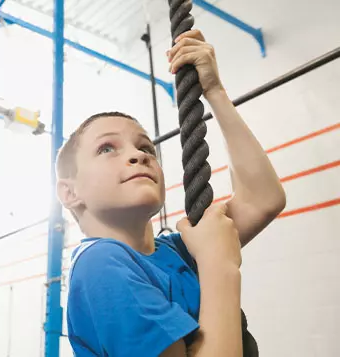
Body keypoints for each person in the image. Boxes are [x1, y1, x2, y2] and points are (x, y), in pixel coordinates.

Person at [57, 29, 286, 356]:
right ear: (69, 192)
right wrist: (218, 264)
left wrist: (215, 92)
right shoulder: (100, 264)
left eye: (145, 147)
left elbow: (262, 199)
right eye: (107, 148)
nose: (139, 155)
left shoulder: (176, 252)